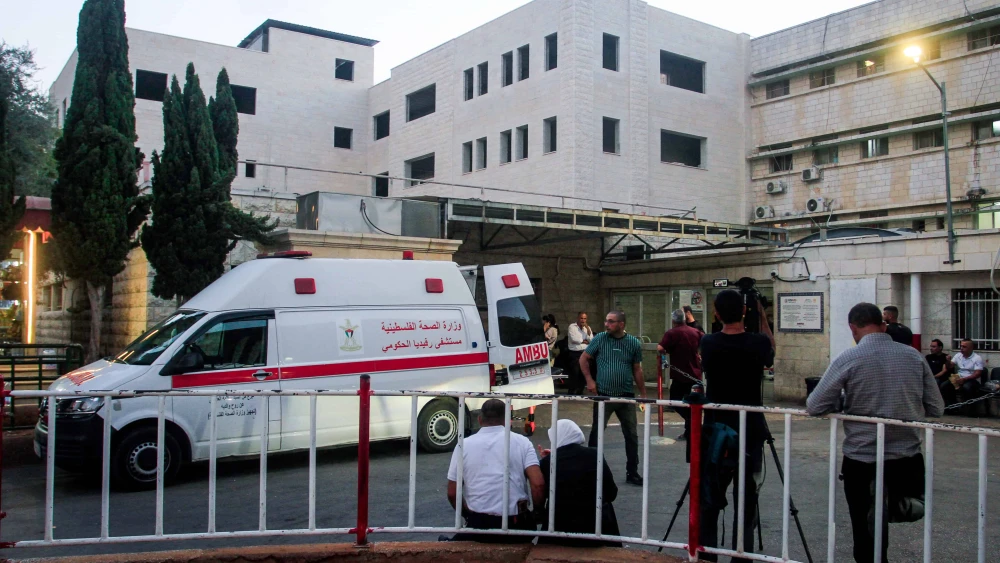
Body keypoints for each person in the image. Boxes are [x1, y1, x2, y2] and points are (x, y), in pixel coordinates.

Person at [807, 303, 943, 563]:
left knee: (864, 529)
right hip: (906, 458)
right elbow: (937, 407)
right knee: (892, 514)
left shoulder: (849, 358)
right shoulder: (914, 356)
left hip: (862, 458)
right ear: (883, 325)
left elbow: (815, 405)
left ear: (852, 328)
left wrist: (844, 402)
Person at [697, 289, 775, 562]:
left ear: (716, 314)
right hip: (750, 427)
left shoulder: (708, 342)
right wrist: (761, 314)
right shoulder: (758, 342)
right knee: (747, 498)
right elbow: (770, 352)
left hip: (717, 429)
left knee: (710, 495)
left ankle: (707, 554)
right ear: (744, 311)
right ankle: (742, 555)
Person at [446, 399, 545, 543]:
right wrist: (537, 513)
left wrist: (468, 515)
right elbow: (538, 484)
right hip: (516, 523)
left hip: (479, 523)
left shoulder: (463, 445)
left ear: (480, 420)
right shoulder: (522, 442)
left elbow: (452, 492)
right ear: (507, 419)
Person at [579, 310, 646, 486]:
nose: (606, 324)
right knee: (597, 433)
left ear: (621, 324)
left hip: (626, 396)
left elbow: (637, 369)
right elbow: (583, 359)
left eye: (611, 321)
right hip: (604, 395)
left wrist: (643, 394)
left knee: (631, 435)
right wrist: (589, 380)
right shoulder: (600, 339)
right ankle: (591, 471)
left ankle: (632, 471)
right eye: (606, 321)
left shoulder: (633, 343)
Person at [536, 419, 621, 547]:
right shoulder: (594, 455)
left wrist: (547, 460)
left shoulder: (547, 462)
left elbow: (545, 493)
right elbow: (611, 492)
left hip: (561, 525)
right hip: (596, 525)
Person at [656, 309, 703, 441]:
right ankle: (690, 429)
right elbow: (705, 341)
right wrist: (699, 354)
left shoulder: (671, 333)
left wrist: (666, 352)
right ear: (684, 319)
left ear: (673, 320)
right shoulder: (695, 332)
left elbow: (660, 348)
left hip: (680, 376)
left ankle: (691, 422)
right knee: (692, 403)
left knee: (675, 401)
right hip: (695, 375)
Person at [945, 338, 984, 409]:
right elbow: (949, 366)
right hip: (959, 377)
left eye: (964, 347)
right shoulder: (958, 355)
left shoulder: (977, 358)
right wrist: (948, 361)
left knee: (966, 387)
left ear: (971, 348)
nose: (961, 348)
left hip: (972, 379)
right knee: (945, 385)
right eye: (961, 346)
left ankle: (970, 409)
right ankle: (953, 407)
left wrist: (965, 379)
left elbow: (978, 373)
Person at [566, 312, 593, 395]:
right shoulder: (572, 327)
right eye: (581, 318)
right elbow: (574, 339)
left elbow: (591, 340)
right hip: (575, 353)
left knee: (584, 372)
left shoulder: (587, 328)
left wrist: (588, 330)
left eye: (585, 319)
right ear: (578, 318)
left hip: (584, 352)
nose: (583, 320)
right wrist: (584, 341)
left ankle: (580, 391)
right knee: (575, 372)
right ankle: (571, 391)